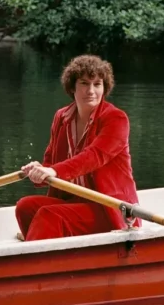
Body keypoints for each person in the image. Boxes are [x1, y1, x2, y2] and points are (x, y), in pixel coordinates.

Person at [16, 54, 140, 241]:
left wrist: (53, 171)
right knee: (25, 207)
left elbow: (94, 157)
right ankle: (49, 258)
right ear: (72, 86)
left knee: (50, 216)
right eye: (84, 83)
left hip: (110, 208)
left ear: (104, 88)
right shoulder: (61, 117)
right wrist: (38, 172)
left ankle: (31, 265)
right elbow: (51, 164)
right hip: (74, 203)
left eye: (97, 84)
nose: (91, 90)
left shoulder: (116, 119)